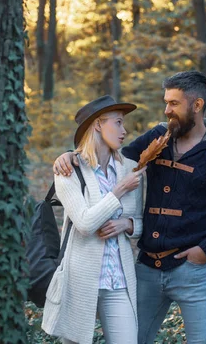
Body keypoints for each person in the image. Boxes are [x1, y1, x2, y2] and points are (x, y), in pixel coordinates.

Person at [54, 71, 206, 344]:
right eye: (166, 102)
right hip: (147, 270)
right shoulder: (159, 135)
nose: (167, 110)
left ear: (197, 105)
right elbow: (112, 157)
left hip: (194, 272)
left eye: (174, 103)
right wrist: (70, 155)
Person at [42, 95, 147, 344]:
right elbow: (85, 223)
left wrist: (128, 224)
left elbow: (141, 222)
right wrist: (119, 190)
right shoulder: (68, 170)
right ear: (98, 125)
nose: (124, 130)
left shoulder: (130, 168)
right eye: (118, 122)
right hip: (79, 280)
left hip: (118, 280)